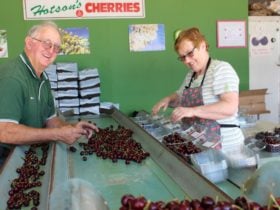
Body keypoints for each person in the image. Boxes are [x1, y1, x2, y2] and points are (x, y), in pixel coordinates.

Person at [0, 21, 98, 145]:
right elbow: (4, 132)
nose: (51, 51)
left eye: (56, 47)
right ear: (29, 43)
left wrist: (72, 128)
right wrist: (57, 134)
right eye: (47, 44)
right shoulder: (12, 78)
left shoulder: (43, 77)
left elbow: (51, 121)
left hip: (29, 153)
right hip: (7, 159)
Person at [152, 27, 244, 150]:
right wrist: (168, 99)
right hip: (201, 143)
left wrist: (193, 111)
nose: (187, 61)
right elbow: (180, 97)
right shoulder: (191, 75)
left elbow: (230, 107)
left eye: (190, 53)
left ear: (202, 45)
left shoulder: (221, 69)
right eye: (182, 57)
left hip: (225, 147)